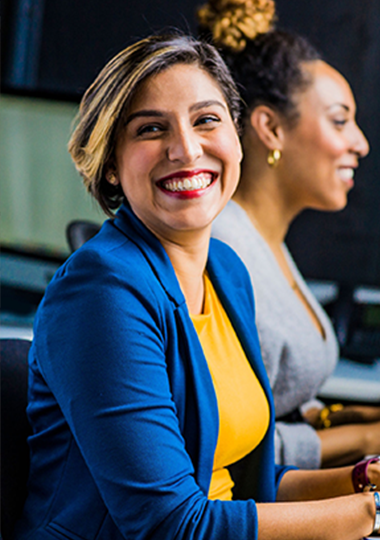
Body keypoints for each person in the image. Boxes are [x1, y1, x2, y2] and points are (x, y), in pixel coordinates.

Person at [14, 33, 380, 540]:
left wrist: (361, 480)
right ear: (113, 166)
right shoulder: (101, 292)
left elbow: (241, 485)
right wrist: (371, 514)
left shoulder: (226, 271)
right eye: (150, 129)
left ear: (236, 135)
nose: (186, 148)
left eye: (207, 120)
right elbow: (171, 524)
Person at [198, 0, 380, 469]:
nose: (359, 143)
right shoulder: (223, 249)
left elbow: (282, 402)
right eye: (340, 120)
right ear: (270, 128)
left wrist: (351, 419)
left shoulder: (265, 240)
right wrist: (363, 437)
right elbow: (228, 447)